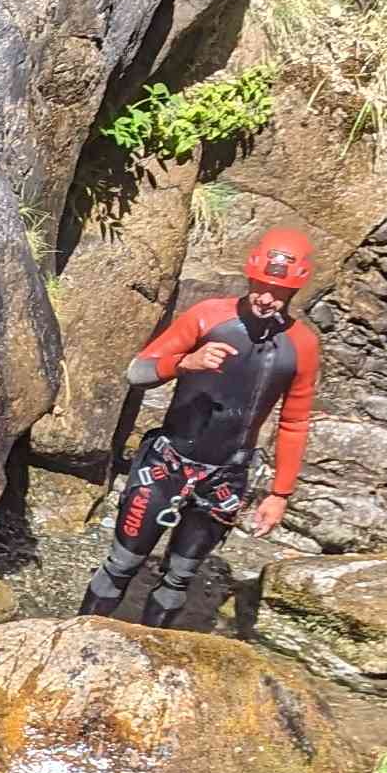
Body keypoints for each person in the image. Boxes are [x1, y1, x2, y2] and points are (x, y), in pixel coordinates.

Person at [81, 224, 326, 631]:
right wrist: (184, 363)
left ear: (295, 290)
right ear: (250, 276)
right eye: (261, 286)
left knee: (179, 578)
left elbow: (295, 421)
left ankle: (149, 654)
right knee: (121, 563)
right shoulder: (208, 315)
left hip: (226, 478)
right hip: (167, 464)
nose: (267, 298)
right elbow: (137, 371)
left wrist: (280, 494)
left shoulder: (302, 345)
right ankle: (75, 641)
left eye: (279, 292)